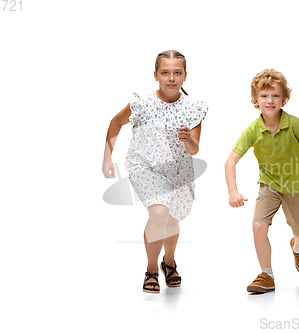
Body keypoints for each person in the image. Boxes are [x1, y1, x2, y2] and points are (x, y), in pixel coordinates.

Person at [102, 50, 207, 293]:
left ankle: (168, 262)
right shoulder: (142, 104)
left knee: (172, 220)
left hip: (178, 171)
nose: (171, 78)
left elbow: (194, 149)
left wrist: (187, 139)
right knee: (159, 213)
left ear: (185, 75)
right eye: (165, 73)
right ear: (156, 75)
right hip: (145, 166)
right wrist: (107, 158)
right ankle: (151, 269)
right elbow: (116, 123)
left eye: (177, 73)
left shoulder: (194, 108)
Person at [225, 69, 299, 293]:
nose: (270, 101)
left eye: (275, 96)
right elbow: (230, 161)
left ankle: (298, 248)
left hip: (297, 186)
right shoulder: (252, 129)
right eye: (264, 96)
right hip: (269, 185)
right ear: (256, 99)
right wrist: (233, 190)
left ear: (284, 99)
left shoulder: (296, 124)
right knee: (258, 226)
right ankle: (266, 275)